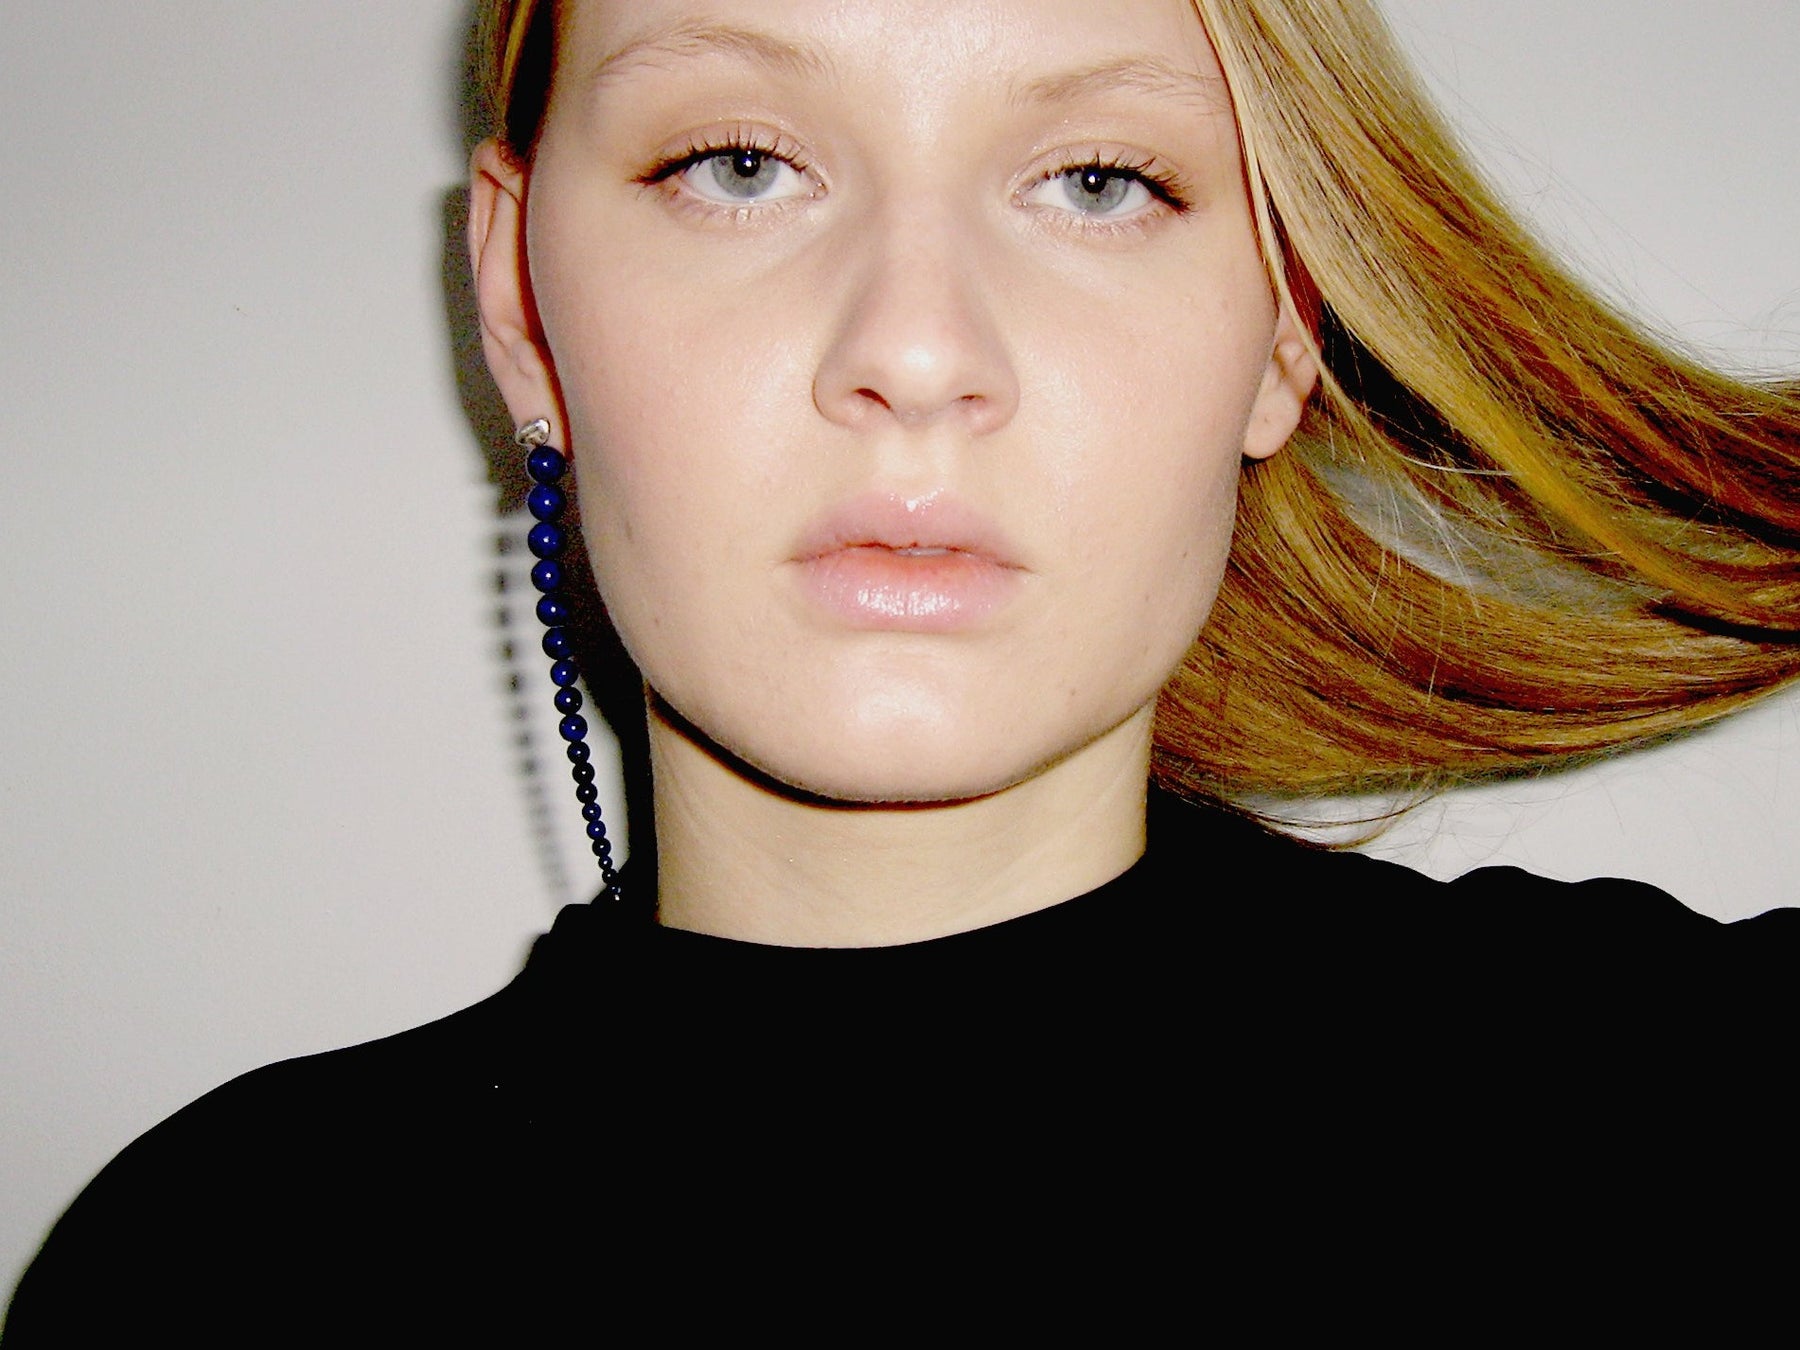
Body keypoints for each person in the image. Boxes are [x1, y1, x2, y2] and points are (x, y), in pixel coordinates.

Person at [7, 0, 1796, 1338]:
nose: (918, 348)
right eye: (738, 165)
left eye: (1098, 182)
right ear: (520, 303)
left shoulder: (1693, 1112)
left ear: (1283, 333)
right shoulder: (210, 1274)